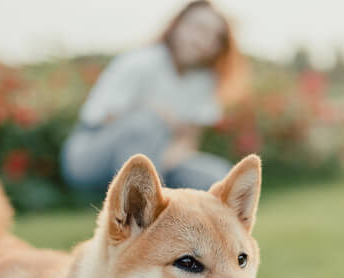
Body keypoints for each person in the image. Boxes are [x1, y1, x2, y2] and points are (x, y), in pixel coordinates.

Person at [61, 1, 248, 193]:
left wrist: (161, 161)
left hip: (158, 161)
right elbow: (106, 118)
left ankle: (154, 197)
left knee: (218, 176)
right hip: (90, 158)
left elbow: (187, 141)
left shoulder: (204, 80)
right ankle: (141, 208)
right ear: (176, 26)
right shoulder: (140, 61)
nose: (203, 40)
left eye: (216, 37)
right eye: (199, 28)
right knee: (148, 121)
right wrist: (160, 118)